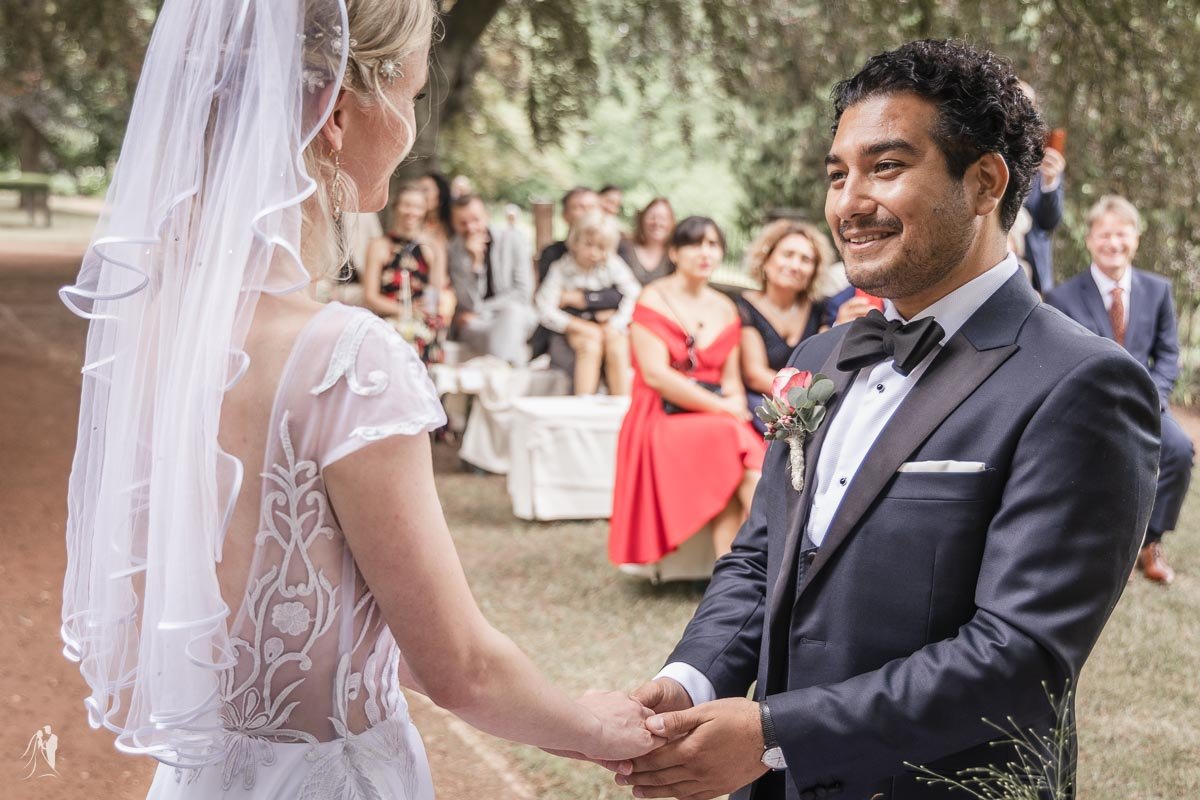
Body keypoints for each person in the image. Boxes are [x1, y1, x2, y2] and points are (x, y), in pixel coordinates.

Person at [58, 3, 658, 798]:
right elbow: (460, 668)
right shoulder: (348, 359)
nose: (410, 129)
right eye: (410, 97)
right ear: (335, 114)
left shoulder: (156, 331)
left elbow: (334, 617)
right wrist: (602, 730)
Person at [619, 39, 1159, 800]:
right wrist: (690, 678)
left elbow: (1019, 657)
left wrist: (778, 734)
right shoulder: (823, 355)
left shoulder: (1084, 384)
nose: (847, 202)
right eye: (837, 173)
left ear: (984, 183)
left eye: (886, 167)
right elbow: (761, 556)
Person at [1045, 195, 1193, 585]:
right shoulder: (1061, 297)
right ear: (1090, 240)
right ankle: (1103, 545)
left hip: (1147, 403)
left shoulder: (1158, 290)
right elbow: (1062, 361)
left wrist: (1154, 399)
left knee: (1178, 449)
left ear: (1136, 239)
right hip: (1087, 406)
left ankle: (1150, 541)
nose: (1113, 243)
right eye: (1104, 235)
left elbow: (1167, 353)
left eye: (1121, 234)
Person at [609, 216, 765, 565]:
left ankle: (734, 574)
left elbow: (733, 384)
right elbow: (656, 376)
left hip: (717, 419)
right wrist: (724, 409)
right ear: (675, 252)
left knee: (750, 469)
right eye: (695, 244)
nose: (705, 252)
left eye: (713, 245)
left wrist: (734, 404)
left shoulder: (727, 307)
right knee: (736, 443)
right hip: (661, 416)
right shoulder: (653, 297)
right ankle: (764, 572)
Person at [735, 219, 839, 430]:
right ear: (766, 258)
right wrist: (802, 398)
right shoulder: (744, 306)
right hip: (762, 403)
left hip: (811, 405)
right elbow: (754, 374)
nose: (795, 266)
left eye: (805, 259)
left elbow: (824, 363)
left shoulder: (822, 308)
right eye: (788, 255)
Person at [535, 211, 641, 395]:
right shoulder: (561, 268)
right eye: (589, 245)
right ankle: (584, 401)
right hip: (576, 329)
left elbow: (633, 293)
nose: (593, 253)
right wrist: (576, 325)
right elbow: (544, 306)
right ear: (575, 241)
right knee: (590, 346)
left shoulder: (613, 265)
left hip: (611, 325)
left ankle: (622, 403)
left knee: (617, 346)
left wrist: (616, 323)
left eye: (601, 247)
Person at [360, 182, 450, 359]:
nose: (412, 212)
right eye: (407, 205)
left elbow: (435, 292)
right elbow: (370, 296)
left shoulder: (429, 248)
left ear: (424, 211)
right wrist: (404, 311)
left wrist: (438, 252)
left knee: (430, 331)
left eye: (418, 207)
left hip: (420, 321)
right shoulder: (379, 245)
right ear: (396, 208)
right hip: (389, 317)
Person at [447, 193, 539, 364]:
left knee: (513, 313)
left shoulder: (513, 239)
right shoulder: (454, 249)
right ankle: (508, 372)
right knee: (502, 337)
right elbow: (468, 303)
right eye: (463, 223)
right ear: (454, 224)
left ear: (486, 216)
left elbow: (522, 294)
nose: (471, 228)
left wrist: (482, 310)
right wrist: (474, 264)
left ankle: (498, 372)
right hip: (478, 326)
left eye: (475, 220)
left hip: (512, 317)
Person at [1018, 80, 1066, 294]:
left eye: (1028, 105)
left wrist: (1050, 181)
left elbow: (1048, 222)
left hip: (1031, 276)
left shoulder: (1043, 157)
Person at [625, 197, 676, 284]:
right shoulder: (625, 248)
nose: (657, 222)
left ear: (671, 223)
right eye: (652, 217)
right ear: (642, 219)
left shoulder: (675, 258)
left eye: (663, 218)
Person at [417, 170, 453, 251]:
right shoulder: (413, 225)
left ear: (440, 193)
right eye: (418, 190)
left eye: (425, 190)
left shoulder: (453, 224)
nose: (420, 195)